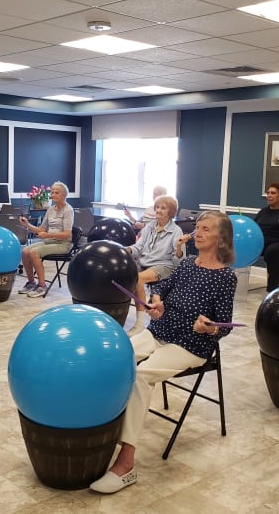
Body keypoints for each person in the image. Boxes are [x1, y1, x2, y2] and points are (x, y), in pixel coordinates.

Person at [89, 211, 237, 494]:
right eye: (198, 228)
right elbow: (161, 291)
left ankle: (126, 464)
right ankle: (97, 428)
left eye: (206, 229)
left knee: (141, 376)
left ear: (221, 239)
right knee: (112, 357)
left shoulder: (226, 278)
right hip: (161, 332)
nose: (198, 233)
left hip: (191, 345)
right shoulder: (187, 265)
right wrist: (156, 304)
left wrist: (210, 328)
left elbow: (225, 324)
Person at [125, 195, 184, 335]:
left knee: (137, 278)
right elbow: (138, 248)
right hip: (144, 262)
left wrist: (180, 247)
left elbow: (178, 262)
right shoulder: (149, 227)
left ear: (171, 212)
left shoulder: (176, 231)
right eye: (157, 207)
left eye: (163, 208)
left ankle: (139, 324)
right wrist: (128, 249)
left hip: (164, 265)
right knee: (124, 275)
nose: (159, 210)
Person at [18, 181, 74, 298]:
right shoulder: (50, 209)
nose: (53, 195)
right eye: (52, 192)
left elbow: (67, 234)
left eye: (56, 193)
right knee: (24, 252)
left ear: (64, 195)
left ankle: (42, 286)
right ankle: (31, 282)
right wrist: (27, 224)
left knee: (33, 253)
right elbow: (41, 229)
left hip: (63, 244)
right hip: (49, 242)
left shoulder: (68, 210)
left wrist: (47, 235)